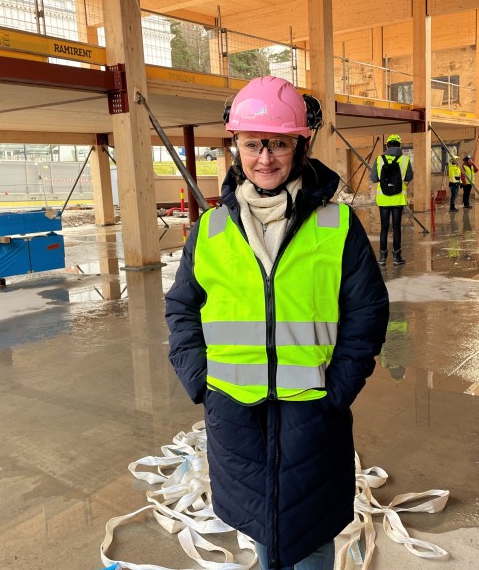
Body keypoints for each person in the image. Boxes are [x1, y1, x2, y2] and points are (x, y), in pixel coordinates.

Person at [165, 76, 390, 570]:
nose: (264, 157)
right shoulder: (211, 230)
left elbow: (367, 312)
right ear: (236, 146)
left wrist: (340, 387)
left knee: (310, 534)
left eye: (278, 143)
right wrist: (199, 380)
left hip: (312, 413)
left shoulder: (336, 225)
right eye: (252, 144)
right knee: (262, 530)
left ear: (299, 146)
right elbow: (182, 308)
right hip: (236, 416)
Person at [371, 133, 413, 266]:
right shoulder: (405, 160)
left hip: (383, 199)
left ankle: (382, 258)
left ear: (387, 145)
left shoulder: (379, 159)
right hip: (398, 199)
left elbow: (373, 179)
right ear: (399, 145)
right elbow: (408, 177)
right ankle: (397, 257)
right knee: (396, 228)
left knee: (384, 228)